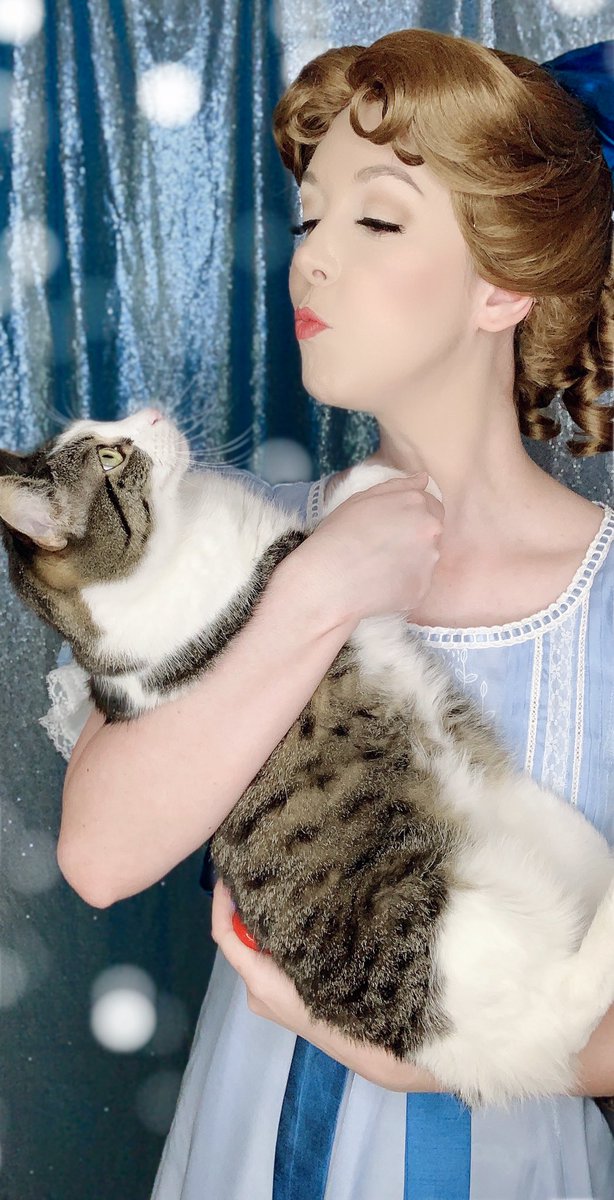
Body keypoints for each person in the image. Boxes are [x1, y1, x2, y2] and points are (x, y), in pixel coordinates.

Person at [55, 28, 614, 1200]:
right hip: (245, 1149)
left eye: (376, 221)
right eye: (310, 219)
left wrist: (410, 1060)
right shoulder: (222, 531)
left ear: (501, 283)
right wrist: (315, 587)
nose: (311, 260)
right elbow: (101, 856)